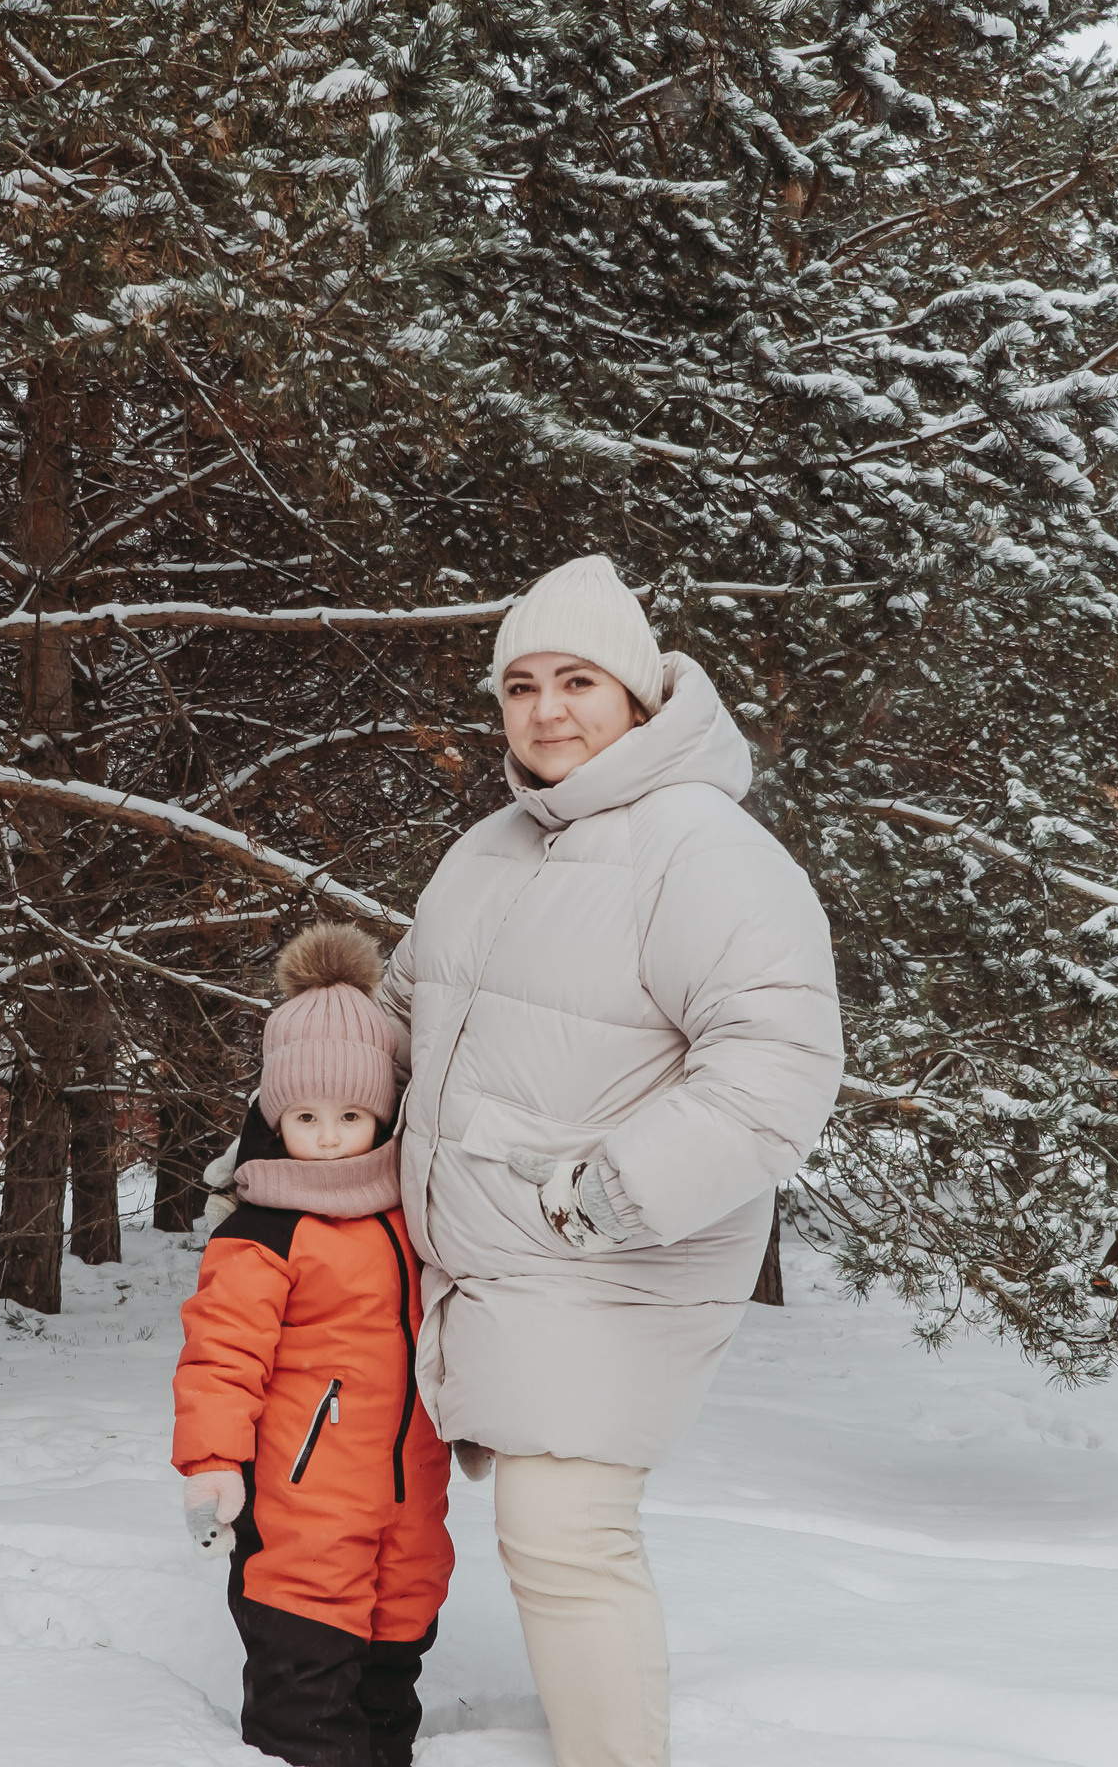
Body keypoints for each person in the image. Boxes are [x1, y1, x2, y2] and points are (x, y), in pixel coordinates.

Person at [377, 554, 845, 1767]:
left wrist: (604, 1200)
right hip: (483, 1258)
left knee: (563, 1532)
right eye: (521, 685)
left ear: (638, 694)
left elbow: (778, 1070)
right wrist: (303, 1102)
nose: (547, 710)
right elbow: (406, 1009)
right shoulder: (491, 846)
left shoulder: (705, 850)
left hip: (603, 1258)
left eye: (577, 681)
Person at [174, 925, 454, 1767]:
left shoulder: (413, 1217)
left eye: (351, 1116)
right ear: (274, 1118)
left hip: (409, 1507)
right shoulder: (263, 1231)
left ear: (383, 1113)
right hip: (304, 1504)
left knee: (389, 1677)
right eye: (306, 1117)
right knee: (307, 1697)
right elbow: (222, 1355)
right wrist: (213, 1463)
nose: (329, 1137)